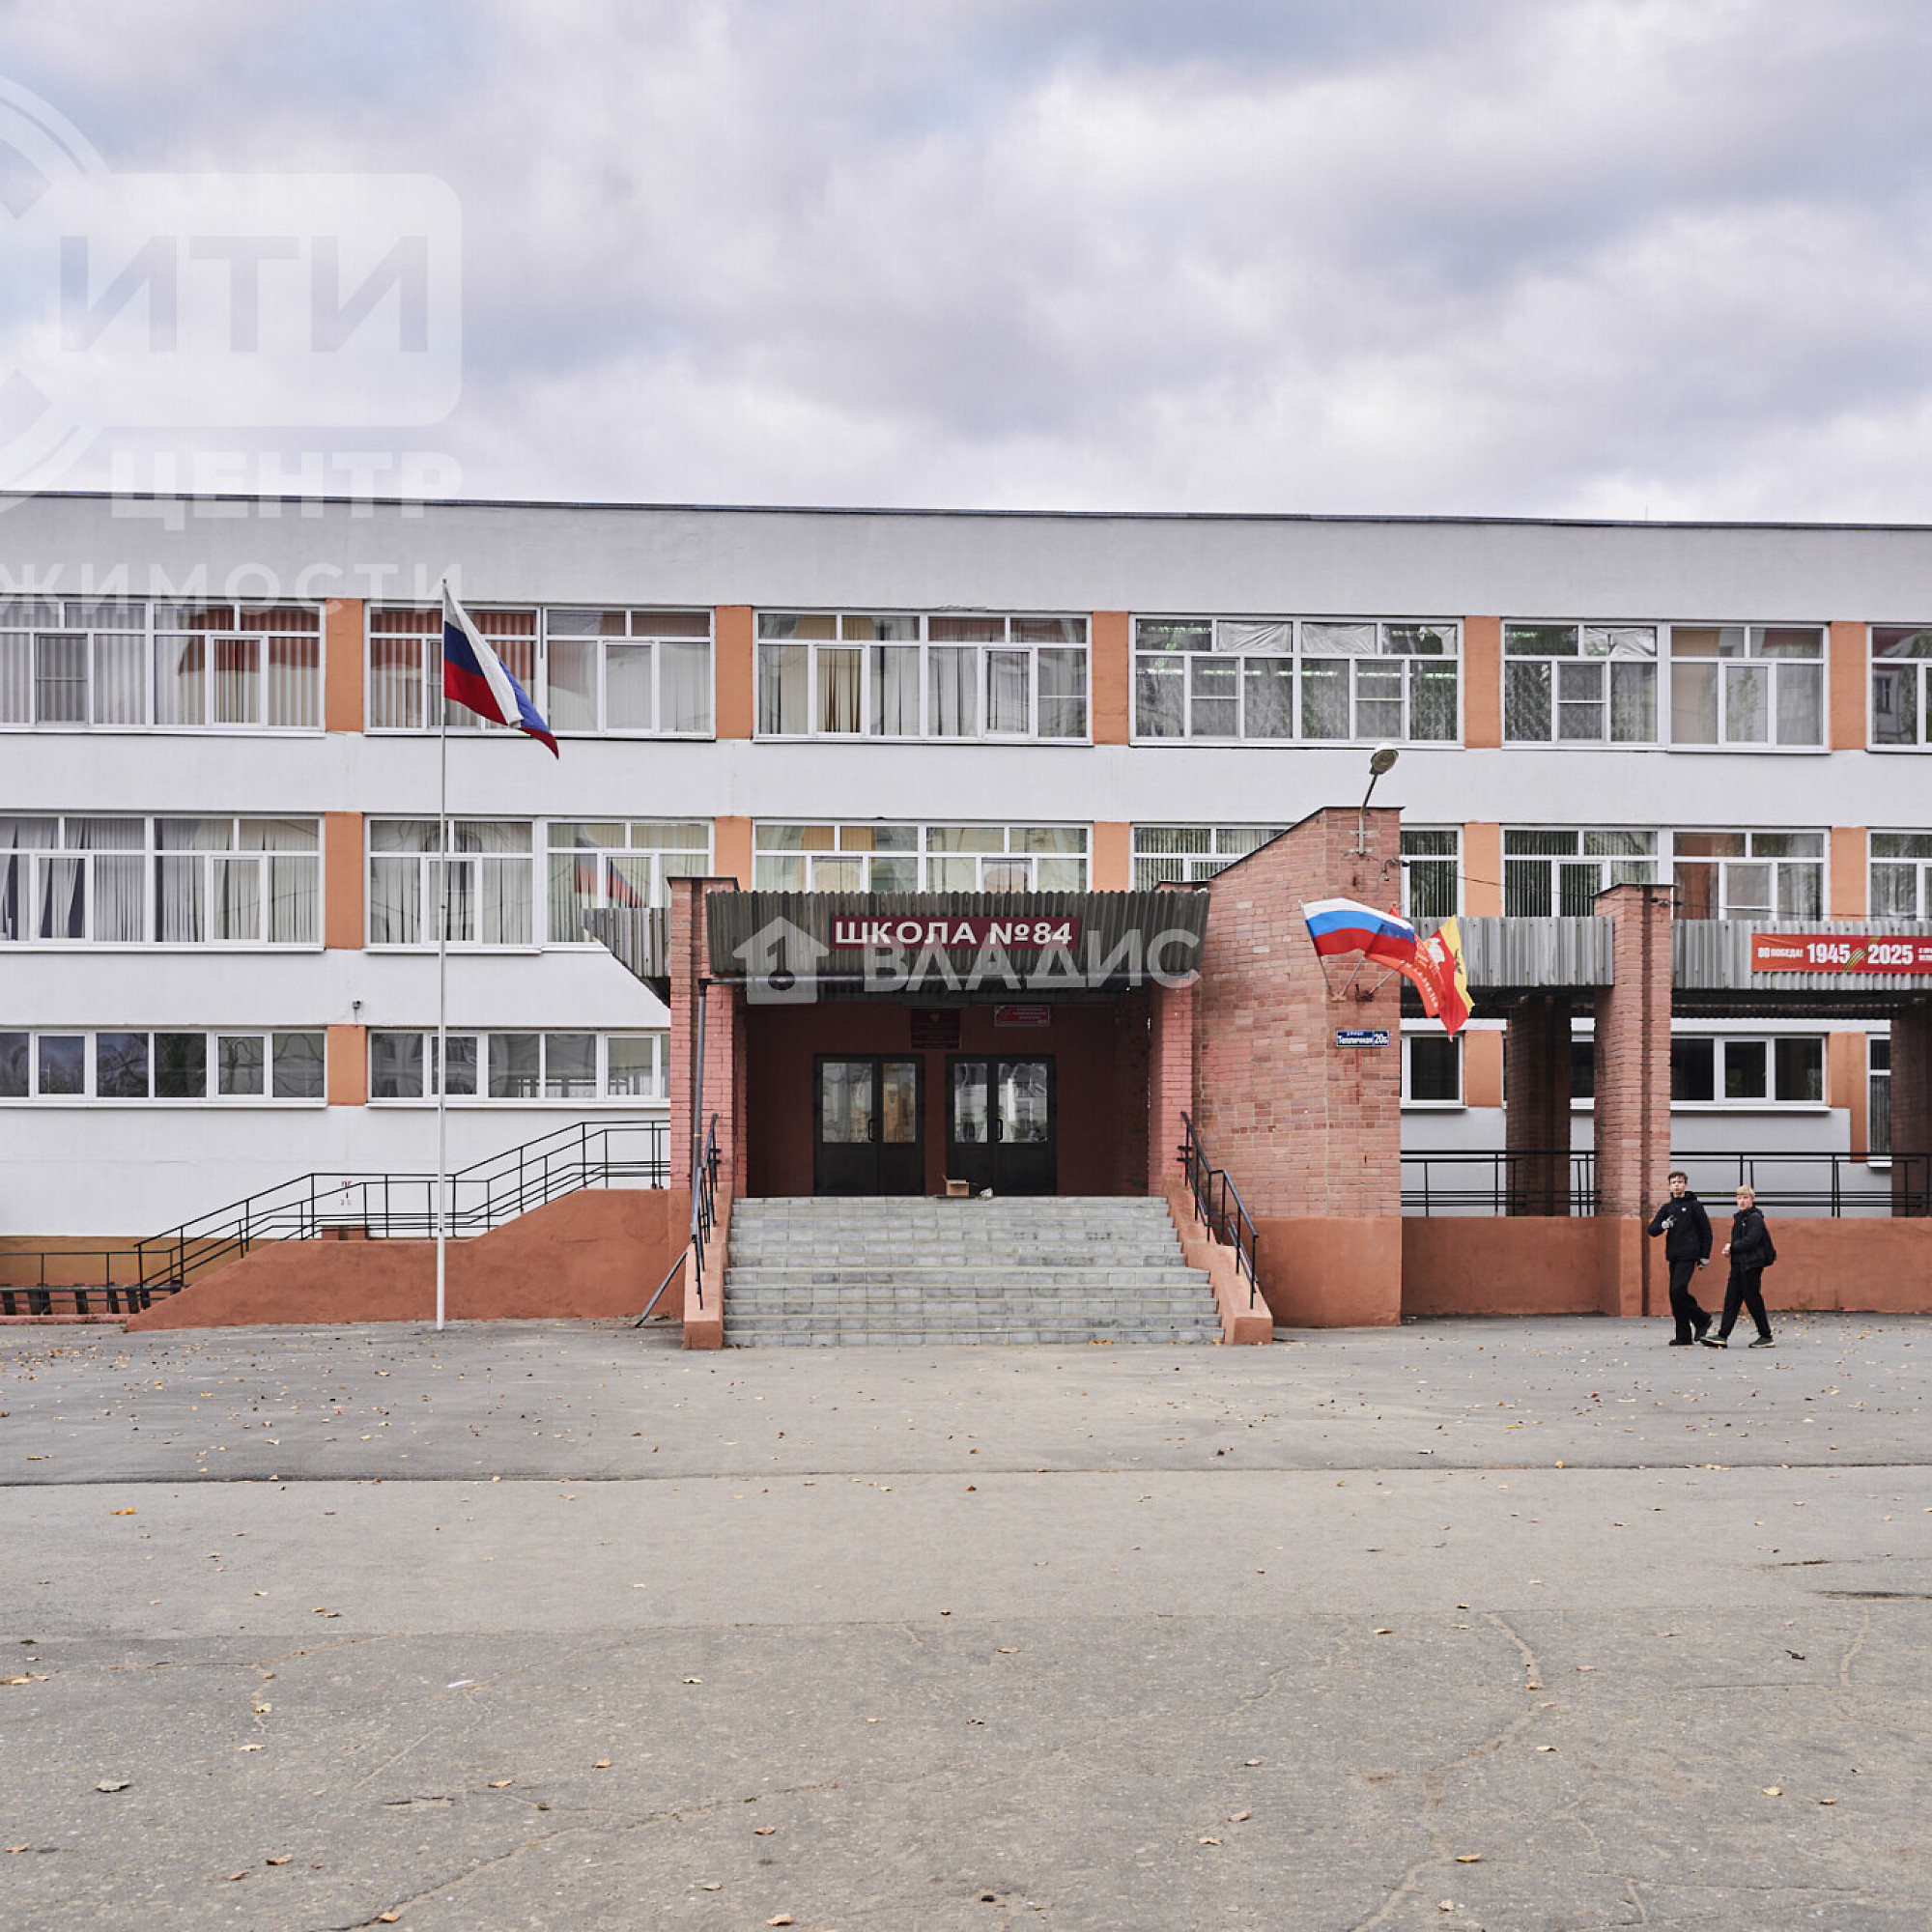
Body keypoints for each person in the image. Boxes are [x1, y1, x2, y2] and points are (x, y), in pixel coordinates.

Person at [1701, 1185, 1776, 1349]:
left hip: (1751, 1265)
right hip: (1738, 1265)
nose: (1741, 1201)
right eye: (1739, 1198)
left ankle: (1766, 1336)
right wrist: (1732, 1251)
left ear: (1752, 1200)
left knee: (1753, 1300)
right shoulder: (1739, 1218)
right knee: (1732, 1300)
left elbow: (1752, 1240)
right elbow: (1742, 1242)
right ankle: (1722, 1335)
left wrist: (1732, 1247)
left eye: (1745, 1198)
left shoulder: (1755, 1218)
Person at [1647, 1170, 1713, 1345]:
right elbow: (1652, 1230)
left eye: (1680, 1182)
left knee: (1678, 1289)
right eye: (1674, 1183)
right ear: (1669, 1186)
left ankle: (1702, 1318)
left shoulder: (1694, 1206)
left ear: (1685, 1185)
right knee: (1675, 1296)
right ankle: (1683, 1335)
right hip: (1674, 1255)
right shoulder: (1667, 1208)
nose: (1677, 1185)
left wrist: (1705, 1256)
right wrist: (1663, 1225)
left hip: (1689, 1254)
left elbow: (1706, 1231)